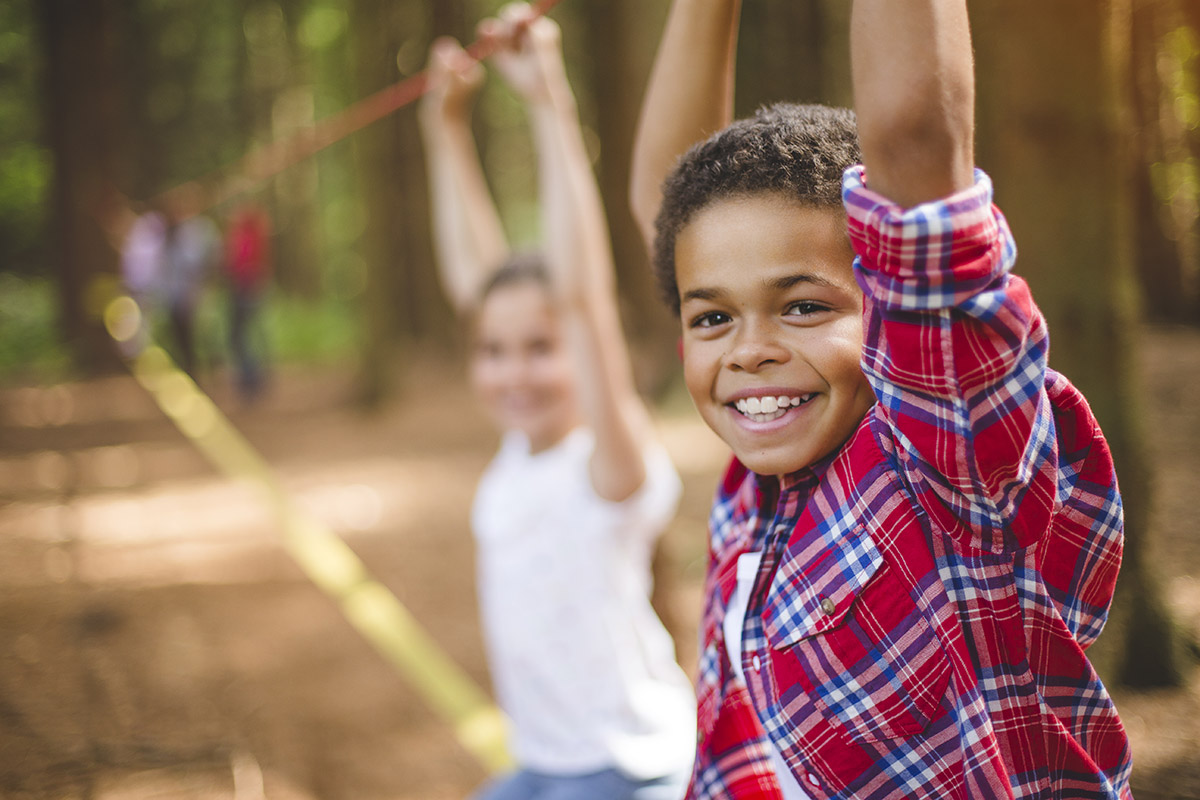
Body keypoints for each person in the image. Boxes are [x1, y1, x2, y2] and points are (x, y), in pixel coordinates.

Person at [628, 0, 1133, 798]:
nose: (748, 349)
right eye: (715, 316)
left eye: (803, 306)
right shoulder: (759, 476)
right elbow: (673, 212)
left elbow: (914, 140)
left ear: (890, 311)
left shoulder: (945, 462)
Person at [417, 5, 696, 799]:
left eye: (541, 350)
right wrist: (446, 130)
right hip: (542, 767)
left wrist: (549, 102)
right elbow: (477, 281)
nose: (514, 373)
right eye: (494, 352)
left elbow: (581, 300)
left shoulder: (609, 466)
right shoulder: (521, 454)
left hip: (628, 771)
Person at [224, 202, 273, 401]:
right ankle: (251, 377)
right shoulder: (248, 234)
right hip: (244, 287)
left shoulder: (248, 236)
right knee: (245, 335)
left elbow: (243, 262)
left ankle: (252, 378)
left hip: (247, 287)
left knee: (242, 335)